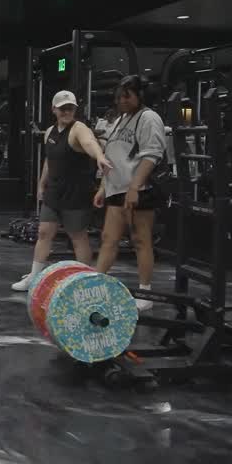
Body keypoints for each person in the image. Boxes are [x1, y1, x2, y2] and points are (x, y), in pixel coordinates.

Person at [11, 91, 112, 291]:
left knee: (77, 237)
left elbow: (90, 143)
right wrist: (41, 184)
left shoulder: (79, 128)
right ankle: (34, 277)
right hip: (54, 191)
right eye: (62, 108)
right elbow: (49, 160)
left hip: (76, 193)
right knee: (44, 233)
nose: (67, 112)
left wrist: (100, 157)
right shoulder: (50, 132)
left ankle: (86, 282)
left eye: (70, 108)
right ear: (54, 110)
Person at [93, 76, 165, 311]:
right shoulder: (120, 119)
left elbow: (152, 154)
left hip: (138, 189)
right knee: (108, 238)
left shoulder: (149, 118)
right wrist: (104, 187)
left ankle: (145, 294)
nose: (121, 101)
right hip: (116, 188)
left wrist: (135, 188)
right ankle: (94, 287)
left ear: (141, 96)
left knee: (140, 240)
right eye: (119, 97)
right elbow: (112, 155)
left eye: (127, 96)